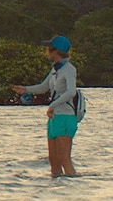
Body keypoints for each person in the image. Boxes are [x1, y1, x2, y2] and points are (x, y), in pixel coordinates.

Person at [12, 35, 78, 177]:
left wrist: (52, 105)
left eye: (49, 48)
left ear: (56, 51)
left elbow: (71, 92)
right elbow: (43, 87)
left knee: (64, 159)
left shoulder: (69, 69)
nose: (47, 51)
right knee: (53, 160)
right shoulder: (55, 69)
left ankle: (73, 189)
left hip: (66, 117)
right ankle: (56, 191)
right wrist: (25, 89)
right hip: (54, 118)